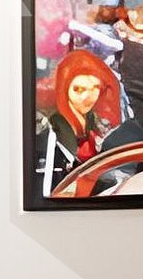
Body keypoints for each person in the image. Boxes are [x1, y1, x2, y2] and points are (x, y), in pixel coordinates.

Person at [36, 48, 121, 197]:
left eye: (95, 88)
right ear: (65, 87)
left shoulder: (99, 126)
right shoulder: (52, 131)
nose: (87, 97)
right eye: (79, 89)